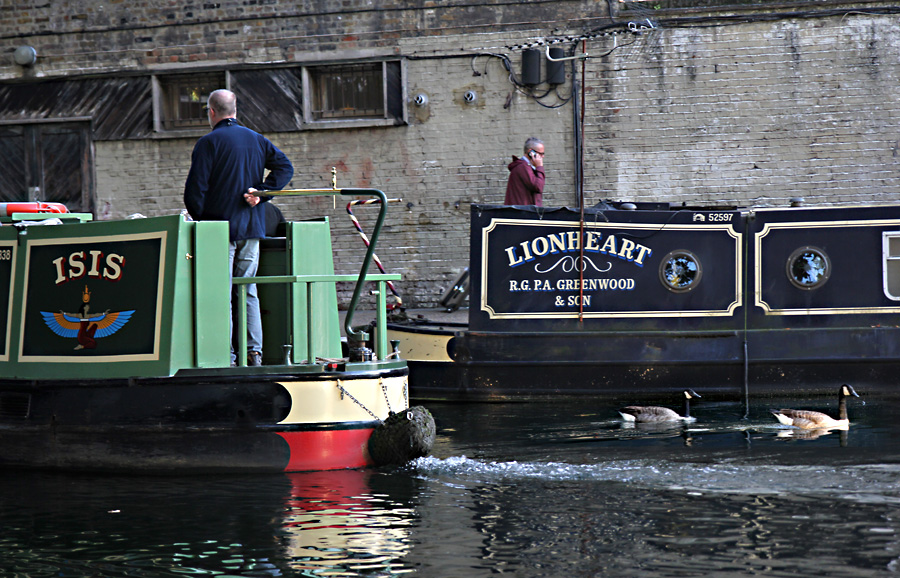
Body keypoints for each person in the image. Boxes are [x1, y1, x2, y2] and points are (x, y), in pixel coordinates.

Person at [184, 89, 294, 367]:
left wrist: (202, 223)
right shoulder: (256, 139)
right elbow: (285, 167)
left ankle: (227, 356)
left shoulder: (208, 143)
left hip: (219, 231)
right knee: (248, 289)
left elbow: (195, 191)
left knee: (220, 291)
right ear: (235, 110)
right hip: (252, 228)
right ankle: (253, 353)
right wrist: (263, 193)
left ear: (211, 112)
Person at [504, 137, 545, 206]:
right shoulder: (523, 167)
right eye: (541, 154)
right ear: (531, 152)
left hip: (526, 212)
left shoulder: (527, 167)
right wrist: (539, 167)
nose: (543, 156)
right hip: (523, 213)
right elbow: (538, 186)